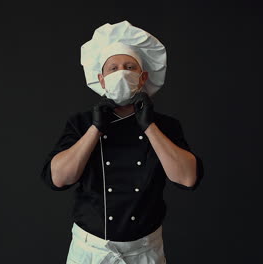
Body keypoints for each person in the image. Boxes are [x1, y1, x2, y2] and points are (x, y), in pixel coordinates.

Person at [40, 21, 204, 264]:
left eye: (130, 67)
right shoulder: (81, 123)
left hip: (145, 252)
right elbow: (59, 178)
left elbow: (187, 178)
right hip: (91, 252)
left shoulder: (165, 126)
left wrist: (149, 126)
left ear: (143, 76)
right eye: (113, 68)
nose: (122, 73)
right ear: (101, 79)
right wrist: (96, 129)